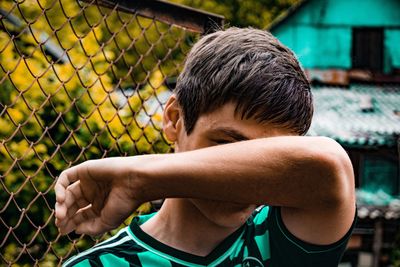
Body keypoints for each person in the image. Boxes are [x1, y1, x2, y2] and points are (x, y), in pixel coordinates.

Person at [55, 27, 356, 267]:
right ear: (174, 119)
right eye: (226, 145)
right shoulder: (102, 265)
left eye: (264, 158)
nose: (243, 174)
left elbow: (328, 164)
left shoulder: (283, 238)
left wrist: (139, 180)